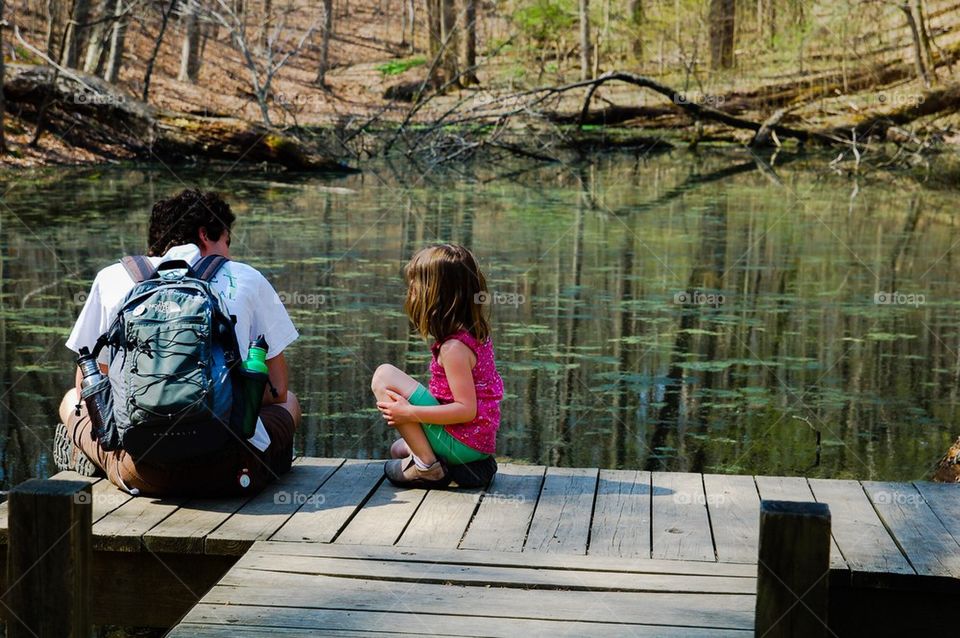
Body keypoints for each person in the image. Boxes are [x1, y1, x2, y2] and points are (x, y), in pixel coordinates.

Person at [55, 189, 301, 496]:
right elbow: (277, 390)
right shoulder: (246, 277)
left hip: (139, 470)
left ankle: (94, 455)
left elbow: (87, 389)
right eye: (227, 242)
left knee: (71, 400)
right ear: (205, 235)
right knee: (290, 402)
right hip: (231, 469)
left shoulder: (112, 277)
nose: (229, 255)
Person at [371, 244, 503, 488]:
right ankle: (445, 464)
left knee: (383, 375)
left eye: (415, 287)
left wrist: (410, 413)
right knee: (398, 449)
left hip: (464, 442)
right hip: (475, 443)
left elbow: (466, 410)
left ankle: (428, 468)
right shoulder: (473, 334)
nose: (410, 293)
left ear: (436, 295)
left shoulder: (454, 349)